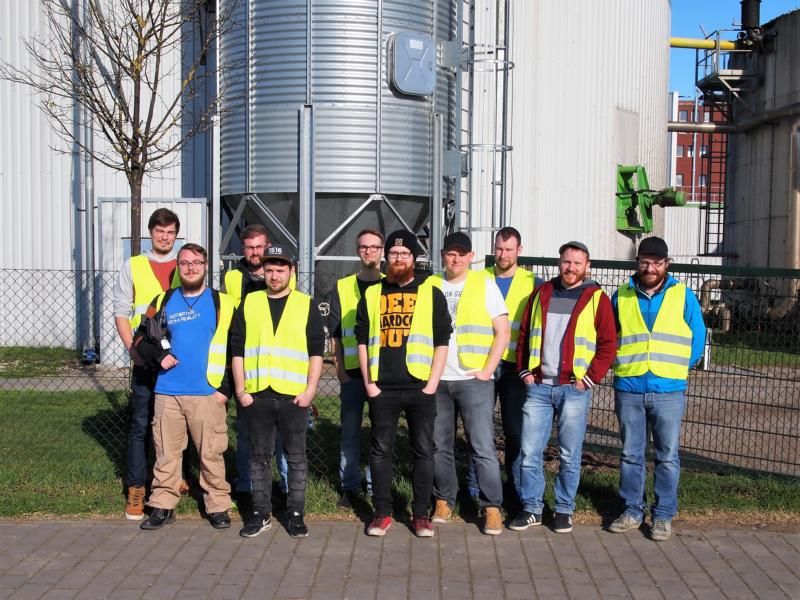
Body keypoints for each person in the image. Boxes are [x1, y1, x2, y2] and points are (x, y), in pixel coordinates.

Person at [512, 241, 617, 533]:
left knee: (570, 454)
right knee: (530, 452)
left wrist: (588, 380)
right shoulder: (542, 293)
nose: (570, 268)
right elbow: (524, 335)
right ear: (559, 263)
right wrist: (524, 372)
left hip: (573, 389)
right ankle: (532, 507)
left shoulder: (597, 299)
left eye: (576, 263)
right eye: (566, 262)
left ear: (587, 266)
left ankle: (563, 509)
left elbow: (608, 345)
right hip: (539, 388)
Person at [608, 236, 705, 542]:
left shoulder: (683, 295)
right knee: (630, 454)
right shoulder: (621, 295)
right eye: (645, 261)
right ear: (637, 262)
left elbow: (698, 335)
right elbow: (609, 335)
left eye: (657, 262)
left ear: (667, 264)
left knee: (667, 456)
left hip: (668, 389)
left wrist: (679, 367)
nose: (650, 267)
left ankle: (663, 515)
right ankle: (633, 511)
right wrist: (615, 363)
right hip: (630, 385)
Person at [355, 230, 451, 538]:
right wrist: (370, 383)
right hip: (382, 387)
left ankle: (420, 514)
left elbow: (442, 340)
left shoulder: (430, 291)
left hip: (419, 386)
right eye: (394, 254)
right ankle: (381, 513)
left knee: (423, 450)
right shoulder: (372, 293)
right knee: (381, 450)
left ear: (414, 258)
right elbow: (360, 340)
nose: (399, 259)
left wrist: (432, 383)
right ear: (385, 257)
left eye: (405, 254)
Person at [133, 243, 234, 530]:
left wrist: (224, 390)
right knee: (166, 454)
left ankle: (217, 505)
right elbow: (141, 339)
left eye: (197, 262)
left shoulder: (222, 302)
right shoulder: (163, 300)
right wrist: (159, 356)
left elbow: (235, 349)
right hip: (167, 393)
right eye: (185, 263)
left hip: (208, 393)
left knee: (211, 454)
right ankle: (163, 505)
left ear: (205, 266)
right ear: (178, 267)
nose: (191, 267)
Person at [230, 245, 325, 538]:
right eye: (269, 269)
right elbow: (237, 350)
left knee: (295, 458)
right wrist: (241, 391)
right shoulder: (249, 303)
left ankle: (296, 514)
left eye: (280, 269)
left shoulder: (305, 304)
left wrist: (310, 391)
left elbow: (316, 352)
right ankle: (260, 514)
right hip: (257, 395)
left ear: (291, 271)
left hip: (294, 396)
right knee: (259, 457)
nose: (274, 275)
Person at [430, 231, 509, 536]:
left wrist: (487, 370)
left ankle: (491, 508)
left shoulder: (484, 284)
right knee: (440, 446)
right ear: (442, 255)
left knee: (482, 446)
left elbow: (502, 331)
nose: (456, 258)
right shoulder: (431, 286)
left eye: (462, 253)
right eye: (451, 253)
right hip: (438, 379)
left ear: (471, 256)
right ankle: (443, 500)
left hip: (473, 379)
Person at [113, 208, 181, 520]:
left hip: (177, 359)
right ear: (151, 233)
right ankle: (137, 487)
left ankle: (172, 481)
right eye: (160, 232)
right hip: (145, 359)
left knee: (175, 426)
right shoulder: (134, 265)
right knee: (141, 424)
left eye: (170, 232)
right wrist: (132, 347)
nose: (165, 237)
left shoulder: (186, 264)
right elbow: (121, 310)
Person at [465, 227, 536, 505]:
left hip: (514, 368)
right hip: (481, 363)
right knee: (478, 429)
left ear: (519, 250)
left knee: (514, 430)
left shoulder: (533, 282)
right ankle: (474, 488)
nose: (503, 254)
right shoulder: (477, 278)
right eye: (499, 248)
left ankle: (515, 488)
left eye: (509, 249)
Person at [221, 224, 288, 506]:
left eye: (259, 247)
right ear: (242, 249)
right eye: (249, 247)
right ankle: (246, 485)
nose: (254, 253)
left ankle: (285, 486)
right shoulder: (233, 278)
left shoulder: (282, 274)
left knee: (284, 433)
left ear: (267, 246)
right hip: (245, 361)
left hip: (280, 363)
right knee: (247, 429)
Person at [326, 229, 384, 506]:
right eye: (364, 247)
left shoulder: (391, 286)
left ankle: (375, 487)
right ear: (358, 251)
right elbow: (335, 333)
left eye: (374, 247)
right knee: (349, 433)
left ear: (382, 251)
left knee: (379, 434)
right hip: (351, 373)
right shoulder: (342, 286)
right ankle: (349, 487)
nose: (369, 251)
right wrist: (339, 371)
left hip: (382, 373)